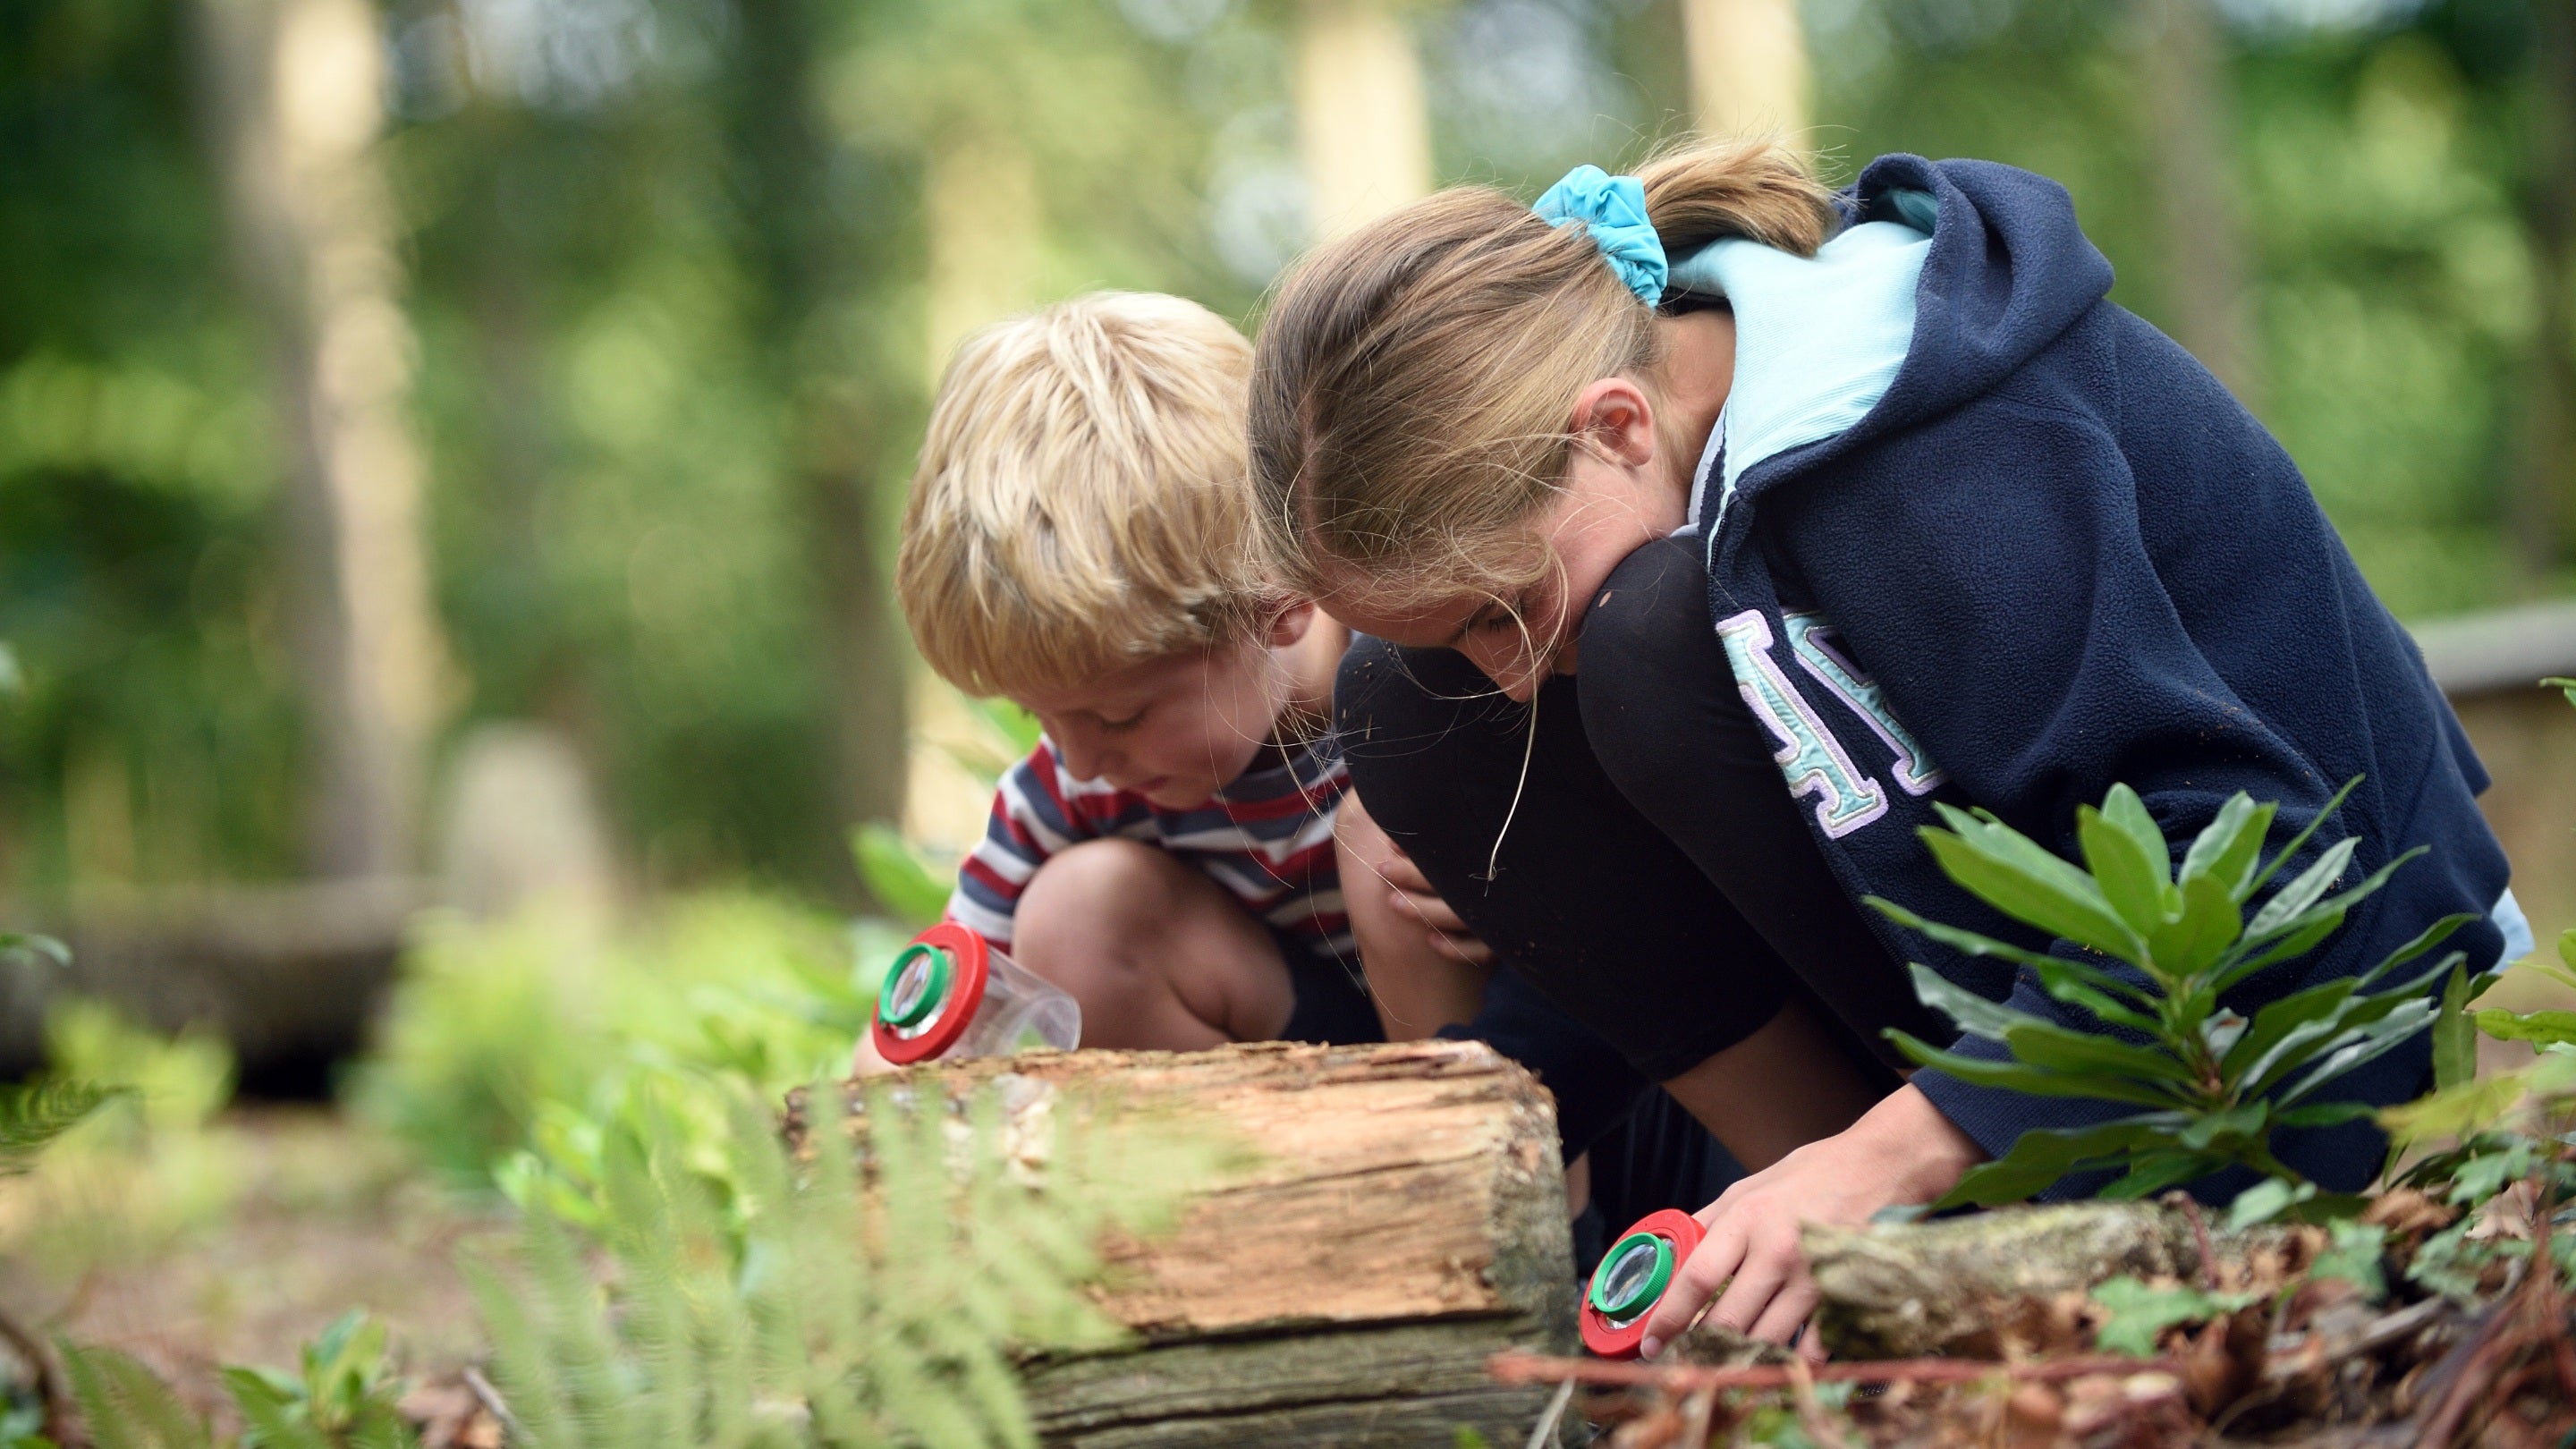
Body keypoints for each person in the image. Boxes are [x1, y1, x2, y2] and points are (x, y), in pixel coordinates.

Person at [1246, 140, 2529, 1357]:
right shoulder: (1675, 460)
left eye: (1503, 612)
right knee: (1405, 708)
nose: (1510, 673)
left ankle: (1885, 1205)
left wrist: (1890, 1156)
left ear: (1620, 426)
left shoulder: (1923, 450)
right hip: (2007, 1023)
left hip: (2307, 1017)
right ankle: (1829, 1256)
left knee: (1635, 641)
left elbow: (2248, 866)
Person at [886, 292, 1745, 1269]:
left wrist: (1516, 893)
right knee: (1077, 915)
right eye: (1044, 718)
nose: (1079, 759)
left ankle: (1530, 1272)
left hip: (1578, 1101)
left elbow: (1643, 906)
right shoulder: (1077, 783)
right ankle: (1283, 1255)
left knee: (1384, 837)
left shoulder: (1442, 674)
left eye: (1119, 714)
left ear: (1279, 604)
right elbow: (936, 1008)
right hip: (1319, 1107)